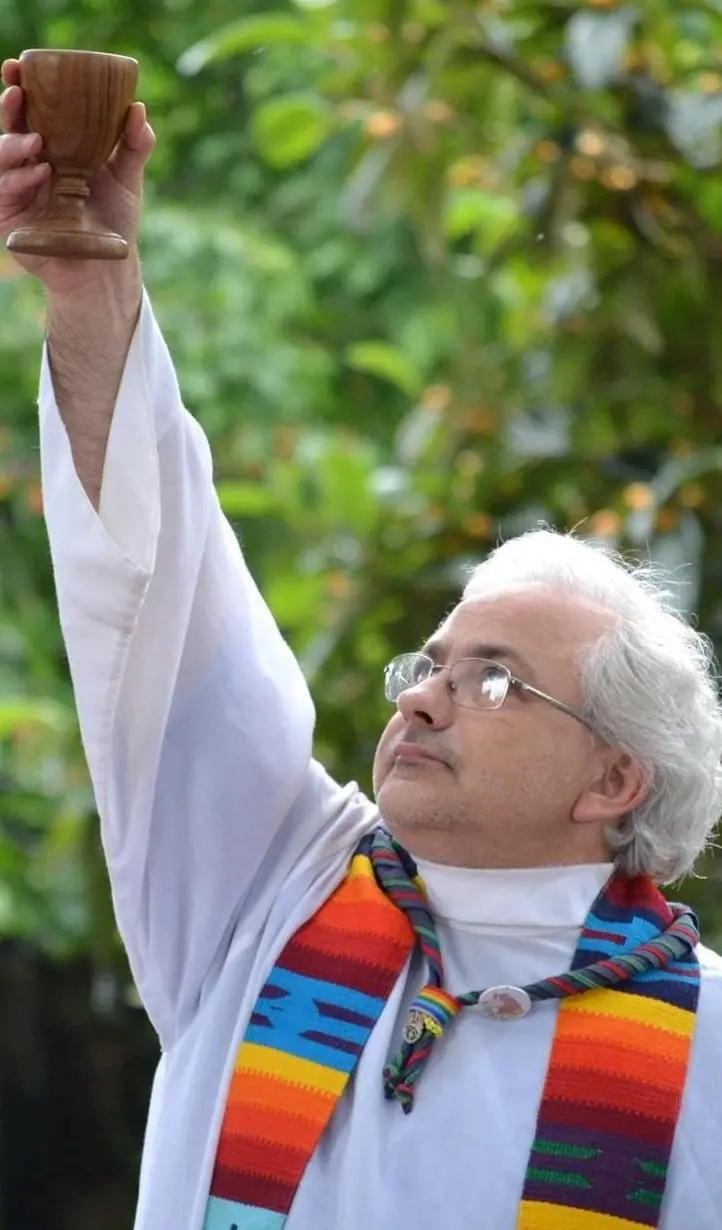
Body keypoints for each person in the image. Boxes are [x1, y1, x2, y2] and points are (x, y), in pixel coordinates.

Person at [2, 57, 722, 1230]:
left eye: (493, 678)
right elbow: (160, 594)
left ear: (615, 777)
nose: (424, 700)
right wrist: (90, 295)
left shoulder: (705, 1054)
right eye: (428, 665)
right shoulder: (263, 891)